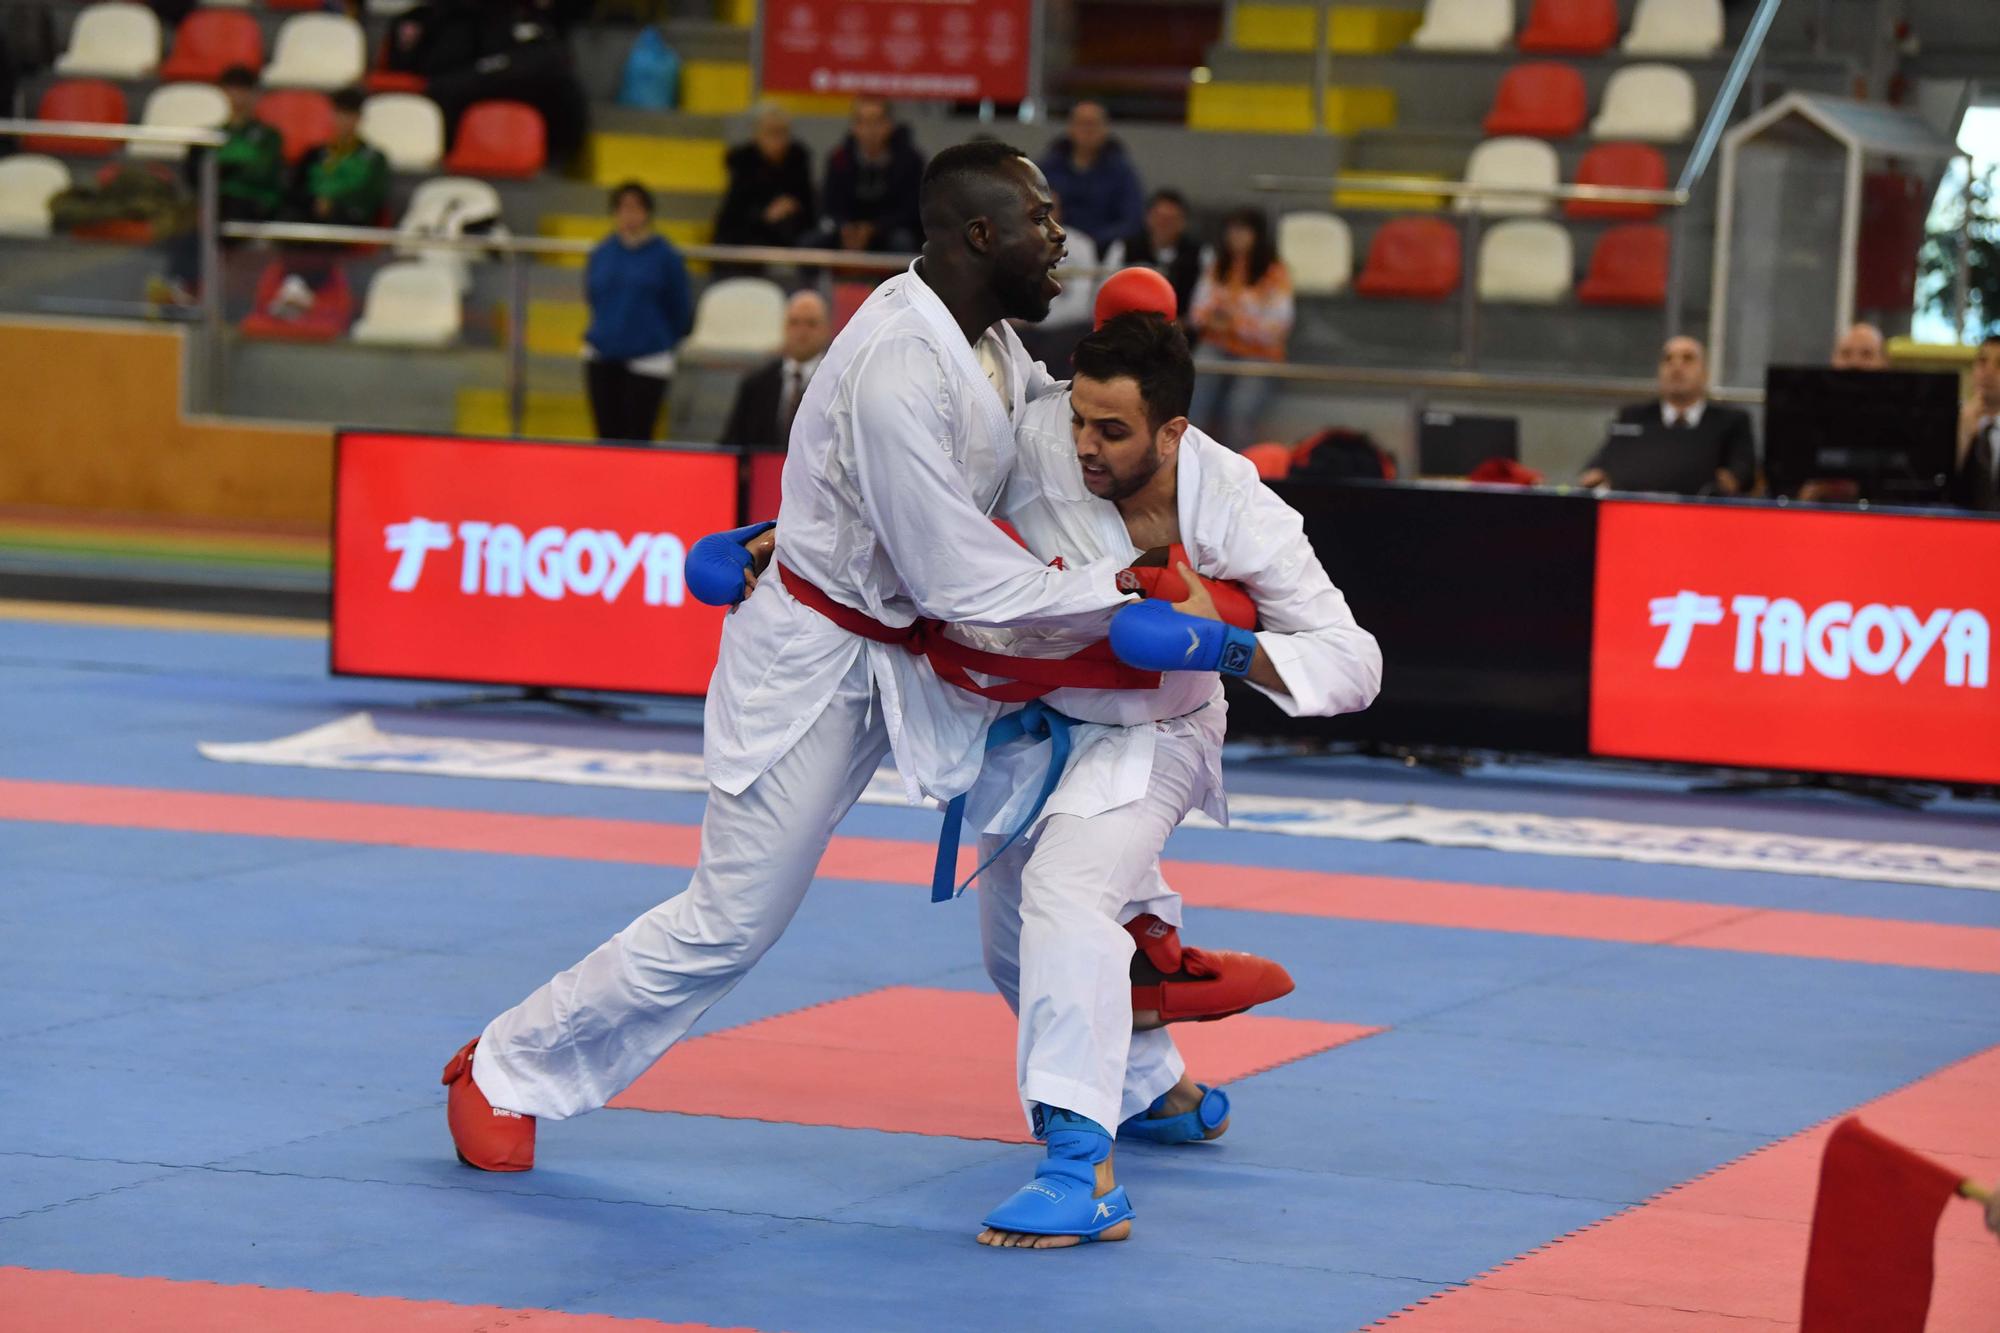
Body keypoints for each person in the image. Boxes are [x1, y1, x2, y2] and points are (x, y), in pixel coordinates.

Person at [442, 140, 1140, 1176]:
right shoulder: (900, 363)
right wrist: (1113, 599)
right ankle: (503, 1065)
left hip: (910, 651)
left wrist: (1135, 383)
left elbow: (1037, 428)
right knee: (730, 921)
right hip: (819, 661)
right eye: (1041, 222)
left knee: (1065, 838)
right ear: (979, 235)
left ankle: (1140, 1076)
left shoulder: (984, 335)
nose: (1061, 239)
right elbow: (956, 577)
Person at [966, 312, 1381, 1247]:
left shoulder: (1234, 500)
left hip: (1161, 733)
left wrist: (1225, 644)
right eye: (1079, 419)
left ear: (1172, 431)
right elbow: (912, 490)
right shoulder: (1037, 437)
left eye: (1112, 431)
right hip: (1036, 726)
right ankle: (1158, 1092)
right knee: (1013, 957)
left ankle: (1083, 1171)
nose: (1084, 446)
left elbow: (1358, 664)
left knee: (1066, 898)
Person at [151, 65, 285, 305]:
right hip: (214, 200)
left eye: (244, 91)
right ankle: (181, 284)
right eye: (232, 90)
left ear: (255, 95)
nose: (237, 97)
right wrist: (230, 166)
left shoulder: (268, 136)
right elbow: (195, 172)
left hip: (253, 204)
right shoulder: (210, 135)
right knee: (188, 212)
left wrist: (222, 168)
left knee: (210, 214)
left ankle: (182, 283)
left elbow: (258, 172)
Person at [580, 181, 691, 444]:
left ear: (647, 212)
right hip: (603, 353)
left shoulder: (666, 256)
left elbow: (680, 307)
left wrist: (660, 339)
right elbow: (593, 296)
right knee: (606, 436)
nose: (629, 215)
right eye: (623, 208)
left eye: (635, 208)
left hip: (649, 358)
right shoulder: (602, 252)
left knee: (638, 437)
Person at [1578, 335, 1757, 496]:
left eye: (1688, 359)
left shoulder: (1730, 421)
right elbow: (1600, 466)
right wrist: (1595, 476)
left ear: (1705, 373)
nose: (1676, 366)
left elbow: (1743, 473)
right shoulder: (1634, 416)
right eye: (1668, 359)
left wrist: (1732, 480)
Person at [1185, 209, 1294, 452]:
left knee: (1239, 411)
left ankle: (1237, 476)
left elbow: (1277, 327)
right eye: (1232, 230)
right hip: (1217, 346)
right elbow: (1198, 313)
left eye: (1243, 230)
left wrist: (1232, 324)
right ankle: (1189, 464)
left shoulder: (1275, 273)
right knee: (1194, 400)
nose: (1236, 236)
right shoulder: (1217, 267)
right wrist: (1235, 322)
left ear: (1257, 235)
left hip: (1260, 353)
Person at [719, 289, 831, 451]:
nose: (802, 332)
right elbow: (730, 446)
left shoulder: (838, 384)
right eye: (794, 323)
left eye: (811, 324)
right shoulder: (756, 384)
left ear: (827, 329)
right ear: (783, 327)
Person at [815, 97, 925, 256]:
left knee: (903, 241)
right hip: (848, 230)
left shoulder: (910, 160)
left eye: (877, 122)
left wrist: (874, 229)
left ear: (889, 125)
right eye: (863, 122)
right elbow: (829, 205)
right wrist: (845, 227)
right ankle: (814, 282)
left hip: (890, 230)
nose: (870, 129)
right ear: (854, 127)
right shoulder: (839, 158)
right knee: (813, 241)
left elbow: (912, 210)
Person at [713, 103, 816, 264]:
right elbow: (735, 211)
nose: (777, 140)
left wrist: (792, 206)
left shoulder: (798, 159)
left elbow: (810, 205)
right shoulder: (743, 160)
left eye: (781, 132)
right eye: (770, 133)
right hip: (750, 230)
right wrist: (765, 214)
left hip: (790, 230)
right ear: (757, 135)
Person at [1036, 101, 1144, 254]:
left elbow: (1132, 220)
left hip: (1103, 251)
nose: (1087, 130)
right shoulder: (1048, 167)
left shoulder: (1121, 171)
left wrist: (1094, 240)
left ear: (1105, 128)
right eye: (1082, 123)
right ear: (1070, 127)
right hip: (1055, 245)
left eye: (1093, 124)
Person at [1103, 189, 1208, 330]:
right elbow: (1106, 292)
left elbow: (1203, 302)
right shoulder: (1123, 248)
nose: (1163, 224)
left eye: (1171, 219)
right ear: (1147, 217)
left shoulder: (1201, 255)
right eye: (1159, 217)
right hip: (1128, 328)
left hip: (1179, 331)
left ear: (1183, 223)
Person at [288, 87, 388, 227]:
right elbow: (296, 189)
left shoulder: (374, 158)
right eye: (340, 113)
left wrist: (333, 205)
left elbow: (371, 198)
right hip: (309, 218)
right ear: (332, 115)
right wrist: (315, 202)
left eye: (350, 114)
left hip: (348, 221)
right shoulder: (314, 153)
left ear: (359, 118)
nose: (344, 120)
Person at [1951, 334, 2000, 512]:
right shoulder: (1954, 422)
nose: (1988, 371)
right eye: (1982, 361)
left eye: (1999, 364)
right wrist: (1962, 434)